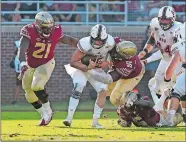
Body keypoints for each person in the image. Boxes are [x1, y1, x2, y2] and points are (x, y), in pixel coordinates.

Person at [17, 11, 78, 126]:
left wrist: (83, 47)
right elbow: (22, 49)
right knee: (28, 92)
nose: (48, 30)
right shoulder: (29, 30)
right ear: (38, 25)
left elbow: (69, 40)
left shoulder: (56, 30)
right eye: (45, 28)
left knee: (37, 85)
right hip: (30, 64)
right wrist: (22, 64)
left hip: (46, 62)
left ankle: (49, 112)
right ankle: (44, 114)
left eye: (50, 27)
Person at [64, 24, 115, 128]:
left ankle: (95, 122)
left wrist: (102, 64)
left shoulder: (110, 43)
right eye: (96, 40)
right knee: (79, 85)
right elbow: (73, 62)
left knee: (103, 90)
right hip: (81, 67)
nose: (98, 43)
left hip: (95, 68)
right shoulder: (85, 43)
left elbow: (109, 61)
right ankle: (68, 118)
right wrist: (87, 68)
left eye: (101, 41)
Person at [138, 6, 182, 110]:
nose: (164, 22)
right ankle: (163, 110)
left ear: (173, 19)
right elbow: (152, 39)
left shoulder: (178, 29)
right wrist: (145, 51)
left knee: (176, 89)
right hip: (165, 59)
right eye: (162, 19)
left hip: (177, 61)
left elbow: (175, 52)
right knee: (156, 87)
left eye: (166, 19)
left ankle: (175, 111)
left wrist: (147, 59)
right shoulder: (155, 25)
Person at [89, 38, 145, 107]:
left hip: (132, 76)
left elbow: (108, 79)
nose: (115, 52)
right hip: (124, 68)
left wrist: (90, 70)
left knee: (115, 98)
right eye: (116, 49)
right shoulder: (115, 42)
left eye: (118, 52)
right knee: (104, 90)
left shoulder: (126, 65)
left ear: (125, 56)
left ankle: (133, 107)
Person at [158, 23, 186, 127]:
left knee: (176, 92)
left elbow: (169, 70)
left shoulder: (181, 47)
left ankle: (169, 119)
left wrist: (166, 81)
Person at [117, 91, 183, 127]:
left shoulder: (141, 105)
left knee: (179, 117)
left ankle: (181, 107)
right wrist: (125, 122)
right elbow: (128, 121)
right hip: (153, 118)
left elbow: (149, 104)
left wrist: (136, 103)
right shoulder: (122, 109)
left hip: (161, 120)